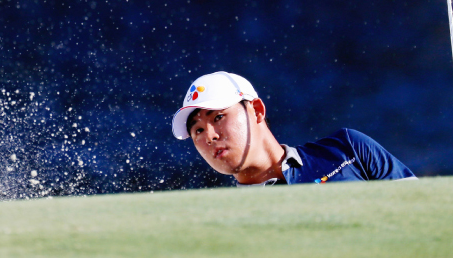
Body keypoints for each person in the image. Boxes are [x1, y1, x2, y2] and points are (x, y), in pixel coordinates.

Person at [172, 71, 416, 186]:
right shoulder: (226, 220)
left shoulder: (348, 149)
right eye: (198, 131)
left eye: (218, 117)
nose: (210, 137)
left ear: (257, 110)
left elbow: (422, 214)